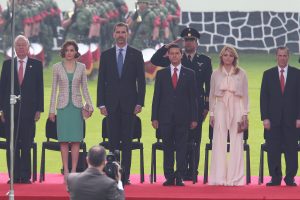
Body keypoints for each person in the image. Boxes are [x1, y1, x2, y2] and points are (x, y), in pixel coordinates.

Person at [151, 27, 212, 180]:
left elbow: (209, 86)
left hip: (195, 105)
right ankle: (181, 173)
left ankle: (192, 172)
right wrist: (167, 46)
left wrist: (206, 106)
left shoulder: (204, 60)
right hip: (174, 107)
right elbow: (155, 60)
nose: (188, 43)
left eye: (191, 40)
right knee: (178, 141)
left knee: (194, 140)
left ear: (196, 42)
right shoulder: (177, 56)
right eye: (186, 40)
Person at [97, 22, 146, 185]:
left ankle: (125, 176)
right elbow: (101, 82)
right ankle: (112, 175)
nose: (120, 35)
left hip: (130, 106)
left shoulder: (136, 54)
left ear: (128, 34)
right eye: (117, 32)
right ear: (113, 34)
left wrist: (140, 102)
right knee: (112, 142)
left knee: (126, 143)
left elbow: (142, 82)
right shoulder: (106, 55)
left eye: (123, 32)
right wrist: (101, 104)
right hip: (111, 106)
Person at [151, 44, 198, 186]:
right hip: (165, 118)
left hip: (183, 118)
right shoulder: (161, 74)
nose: (174, 56)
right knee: (168, 148)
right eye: (171, 53)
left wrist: (194, 118)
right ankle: (169, 176)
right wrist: (154, 117)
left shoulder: (190, 74)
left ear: (181, 55)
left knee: (182, 148)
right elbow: (156, 97)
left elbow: (193, 98)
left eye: (177, 53)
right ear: (168, 56)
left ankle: (180, 176)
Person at [0, 35, 44, 184]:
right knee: (11, 144)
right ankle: (14, 175)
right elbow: (2, 89)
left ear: (28, 47)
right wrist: (1, 110)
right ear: (14, 47)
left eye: (23, 45)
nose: (20, 48)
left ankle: (25, 176)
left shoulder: (36, 65)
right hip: (10, 110)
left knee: (26, 144)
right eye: (17, 45)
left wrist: (39, 109)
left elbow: (40, 89)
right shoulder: (7, 65)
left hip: (29, 111)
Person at [49, 40, 94, 182]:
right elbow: (53, 90)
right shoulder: (56, 67)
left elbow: (85, 89)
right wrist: (51, 110)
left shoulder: (81, 67)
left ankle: (74, 171)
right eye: (67, 50)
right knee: (63, 141)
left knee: (75, 141)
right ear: (64, 52)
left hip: (76, 107)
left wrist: (90, 105)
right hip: (62, 108)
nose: (69, 53)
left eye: (72, 50)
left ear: (76, 52)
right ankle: (66, 170)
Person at [208, 45, 249, 186]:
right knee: (218, 141)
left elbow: (246, 95)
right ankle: (219, 177)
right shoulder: (215, 73)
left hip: (237, 108)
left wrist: (245, 114)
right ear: (221, 57)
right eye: (225, 55)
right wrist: (211, 113)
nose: (228, 57)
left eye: (231, 55)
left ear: (234, 58)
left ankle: (235, 178)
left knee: (237, 142)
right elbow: (212, 94)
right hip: (220, 108)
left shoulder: (242, 73)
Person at [260, 46, 300, 186]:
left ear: (288, 57)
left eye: (285, 55)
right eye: (280, 55)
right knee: (273, 150)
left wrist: (299, 118)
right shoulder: (268, 74)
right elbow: (263, 98)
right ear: (276, 57)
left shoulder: (297, 74)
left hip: (292, 121)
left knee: (291, 150)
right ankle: (275, 178)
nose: (282, 58)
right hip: (272, 121)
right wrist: (265, 118)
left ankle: (290, 178)